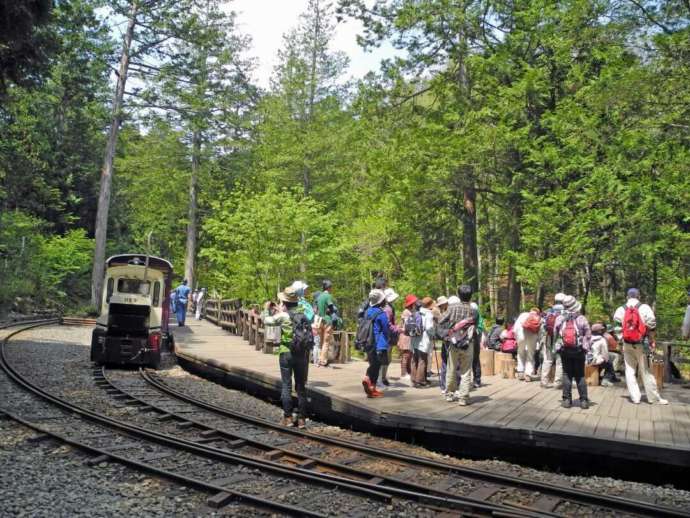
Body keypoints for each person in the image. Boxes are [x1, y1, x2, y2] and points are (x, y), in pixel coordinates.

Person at [264, 287, 312, 428]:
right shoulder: (303, 315)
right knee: (301, 386)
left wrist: (267, 309)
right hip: (302, 354)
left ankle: (288, 418)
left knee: (286, 385)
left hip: (286, 352)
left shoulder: (283, 316)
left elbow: (267, 321)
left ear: (284, 301)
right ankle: (302, 419)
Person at [613, 288, 668, 405]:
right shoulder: (645, 308)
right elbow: (652, 323)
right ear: (639, 296)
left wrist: (621, 339)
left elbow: (617, 328)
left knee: (629, 370)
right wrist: (652, 338)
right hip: (643, 344)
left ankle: (635, 397)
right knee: (647, 371)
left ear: (627, 297)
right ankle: (653, 398)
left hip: (627, 344)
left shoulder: (620, 309)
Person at [438, 285, 478, 406]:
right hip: (468, 343)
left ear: (459, 295)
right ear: (471, 296)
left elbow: (440, 321)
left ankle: (450, 394)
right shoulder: (474, 311)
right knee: (466, 370)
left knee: (451, 368)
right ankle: (463, 397)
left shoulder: (452, 307)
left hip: (454, 342)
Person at [554, 295, 591, 409]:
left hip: (565, 350)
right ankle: (584, 401)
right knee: (580, 375)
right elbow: (588, 335)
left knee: (567, 374)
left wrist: (558, 347)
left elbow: (556, 334)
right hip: (579, 351)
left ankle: (566, 400)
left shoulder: (559, 318)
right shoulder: (581, 318)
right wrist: (586, 348)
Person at [361, 289, 389, 398]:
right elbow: (386, 329)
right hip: (379, 343)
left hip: (368, 342)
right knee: (376, 366)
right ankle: (368, 380)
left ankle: (371, 388)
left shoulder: (367, 311)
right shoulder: (381, 313)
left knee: (373, 363)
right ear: (381, 301)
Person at [377, 288, 400, 389]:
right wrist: (397, 328)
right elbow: (387, 323)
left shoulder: (387, 307)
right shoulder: (387, 309)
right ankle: (380, 379)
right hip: (386, 336)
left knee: (387, 358)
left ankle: (383, 378)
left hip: (387, 336)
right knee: (384, 358)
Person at [540, 294, 565, 388]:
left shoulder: (548, 312)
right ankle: (557, 383)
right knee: (559, 361)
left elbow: (542, 326)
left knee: (547, 360)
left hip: (548, 338)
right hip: (560, 339)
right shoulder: (565, 312)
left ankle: (544, 381)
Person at [410, 297, 435, 387]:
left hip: (414, 339)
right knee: (422, 359)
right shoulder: (428, 314)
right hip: (423, 339)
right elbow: (429, 328)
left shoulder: (416, 312)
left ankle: (414, 379)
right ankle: (421, 381)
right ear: (430, 305)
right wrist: (433, 334)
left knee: (414, 359)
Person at [514, 307, 542, 381]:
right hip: (533, 336)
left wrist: (516, 338)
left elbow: (515, 328)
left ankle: (520, 371)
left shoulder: (523, 315)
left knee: (520, 352)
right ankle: (528, 374)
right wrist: (538, 340)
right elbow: (540, 331)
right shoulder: (539, 318)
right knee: (530, 355)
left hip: (521, 336)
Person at [316, 280, 336, 367]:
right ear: (329, 287)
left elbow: (316, 309)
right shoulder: (328, 296)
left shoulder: (319, 297)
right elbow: (331, 307)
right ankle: (323, 361)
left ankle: (319, 359)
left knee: (321, 341)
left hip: (320, 320)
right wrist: (332, 311)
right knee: (326, 341)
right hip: (327, 320)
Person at [398, 295, 417, 382]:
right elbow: (407, 325)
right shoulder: (406, 312)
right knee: (405, 355)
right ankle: (403, 373)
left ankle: (408, 372)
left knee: (409, 355)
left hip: (408, 335)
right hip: (405, 336)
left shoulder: (410, 312)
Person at [470, 301, 485, 388]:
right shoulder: (480, 317)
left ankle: (476, 380)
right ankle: (477, 380)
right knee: (476, 359)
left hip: (473, 337)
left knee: (473, 359)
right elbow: (481, 328)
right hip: (476, 337)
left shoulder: (472, 315)